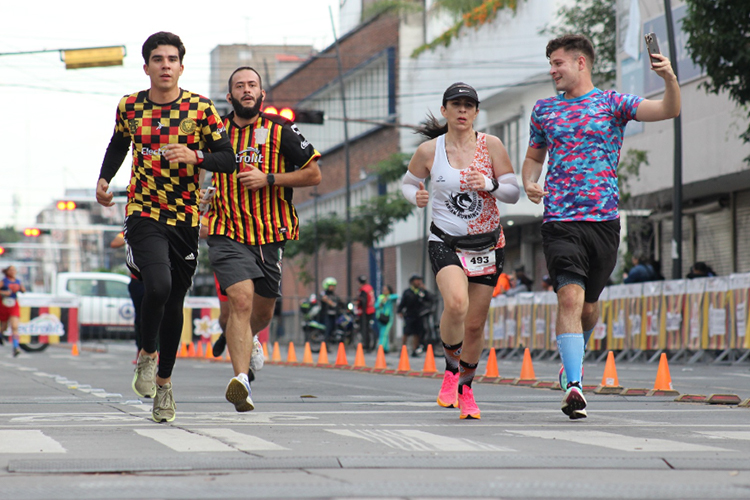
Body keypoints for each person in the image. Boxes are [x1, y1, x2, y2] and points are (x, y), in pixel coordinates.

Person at [521, 34, 681, 419]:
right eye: (550, 63)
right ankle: (574, 385)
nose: (552, 70)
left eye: (558, 63)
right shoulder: (543, 111)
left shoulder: (613, 103)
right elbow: (533, 158)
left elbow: (668, 111)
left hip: (604, 221)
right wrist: (529, 180)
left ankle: (571, 361)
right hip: (560, 218)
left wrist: (671, 80)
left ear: (581, 63)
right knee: (569, 299)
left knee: (589, 307)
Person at [96, 32, 235, 423]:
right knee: (157, 286)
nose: (165, 65)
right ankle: (147, 352)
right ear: (147, 67)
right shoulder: (130, 106)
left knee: (175, 301)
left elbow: (228, 159)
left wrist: (196, 154)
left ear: (181, 67)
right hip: (143, 210)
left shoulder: (201, 109)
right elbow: (118, 145)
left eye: (172, 59)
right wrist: (104, 180)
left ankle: (165, 385)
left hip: (186, 217)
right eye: (158, 59)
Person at [204, 66, 321, 412]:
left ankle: (246, 337)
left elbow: (313, 174)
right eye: (239, 86)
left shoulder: (280, 130)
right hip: (226, 231)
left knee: (263, 312)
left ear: (261, 94)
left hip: (270, 234)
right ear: (230, 97)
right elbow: (193, 168)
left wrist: (269, 179)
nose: (246, 90)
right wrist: (200, 197)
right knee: (240, 301)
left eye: (252, 85)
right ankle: (241, 382)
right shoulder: (215, 132)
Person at [401, 81, 520, 419]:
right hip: (445, 241)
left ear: (477, 112)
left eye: (469, 105)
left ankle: (466, 390)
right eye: (456, 105)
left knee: (474, 325)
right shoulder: (429, 151)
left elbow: (513, 192)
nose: (463, 111)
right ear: (445, 111)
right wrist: (417, 197)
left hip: (487, 244)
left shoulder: (491, 145)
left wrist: (490, 184)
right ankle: (450, 370)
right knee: (456, 303)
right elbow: (408, 184)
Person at [110, 232, 145, 362]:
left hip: (155, 278)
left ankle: (157, 352)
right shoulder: (131, 229)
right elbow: (114, 243)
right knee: (140, 319)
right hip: (138, 281)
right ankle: (140, 351)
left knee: (158, 316)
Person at [397, 274, 435, 358]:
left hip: (419, 315)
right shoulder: (407, 292)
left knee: (417, 333)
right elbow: (402, 303)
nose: (419, 282)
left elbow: (431, 298)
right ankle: (403, 349)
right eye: (417, 280)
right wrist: (399, 311)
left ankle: (414, 349)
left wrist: (425, 290)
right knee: (406, 332)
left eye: (419, 280)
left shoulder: (422, 291)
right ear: (412, 282)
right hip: (409, 315)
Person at [0, 266, 26, 357]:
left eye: (14, 270)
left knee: (15, 326)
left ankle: (16, 347)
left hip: (13, 305)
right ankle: (1, 335)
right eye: (11, 270)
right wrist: (3, 293)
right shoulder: (4, 281)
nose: (13, 272)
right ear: (7, 271)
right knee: (4, 327)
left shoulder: (18, 281)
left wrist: (22, 290)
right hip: (3, 305)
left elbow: (23, 290)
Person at [375, 284, 399, 353]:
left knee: (384, 333)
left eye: (385, 290)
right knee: (383, 333)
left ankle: (380, 347)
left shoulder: (390, 298)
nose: (384, 291)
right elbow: (376, 306)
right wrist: (381, 303)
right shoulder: (380, 297)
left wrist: (388, 297)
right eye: (383, 290)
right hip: (380, 318)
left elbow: (397, 296)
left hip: (388, 318)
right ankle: (386, 348)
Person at [356, 275, 376, 351]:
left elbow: (363, 301)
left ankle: (366, 345)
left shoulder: (363, 289)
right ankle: (368, 344)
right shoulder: (369, 288)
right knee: (368, 327)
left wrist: (358, 303)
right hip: (371, 309)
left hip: (366, 311)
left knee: (364, 328)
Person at [319, 277, 343, 341]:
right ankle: (325, 344)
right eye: (331, 286)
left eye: (333, 286)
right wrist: (332, 304)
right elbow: (325, 299)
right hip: (326, 314)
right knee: (328, 328)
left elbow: (339, 301)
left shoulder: (334, 295)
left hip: (334, 314)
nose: (332, 288)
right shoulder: (323, 293)